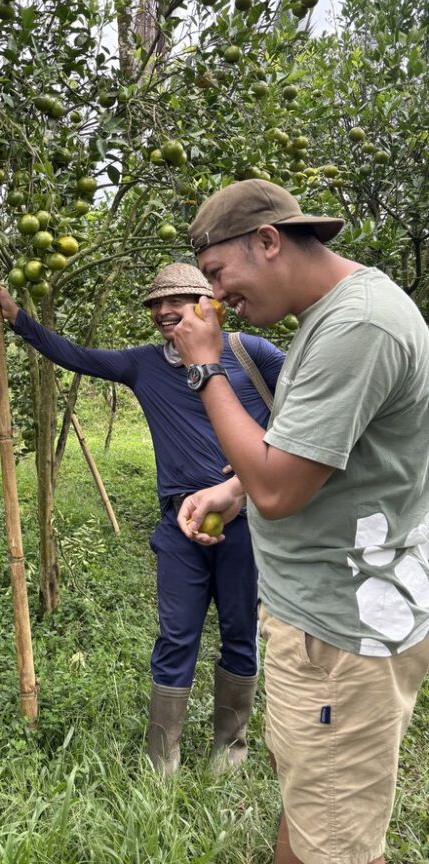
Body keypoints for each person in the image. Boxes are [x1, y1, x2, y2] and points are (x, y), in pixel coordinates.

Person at [172, 180, 429, 864]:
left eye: (219, 275)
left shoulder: (358, 327)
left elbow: (281, 490)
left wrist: (206, 369)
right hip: (319, 621)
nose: (217, 298)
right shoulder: (332, 318)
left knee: (338, 844)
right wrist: (233, 489)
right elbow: (309, 452)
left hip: (340, 637)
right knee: (310, 806)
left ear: (268, 242)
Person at [0, 263, 284, 775]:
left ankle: (229, 750)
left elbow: (304, 408)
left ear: (207, 302)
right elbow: (75, 356)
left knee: (239, 633)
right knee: (176, 634)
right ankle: (161, 759)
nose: (165, 312)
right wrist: (18, 319)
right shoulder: (143, 365)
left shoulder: (250, 353)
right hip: (179, 525)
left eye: (179, 301)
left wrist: (251, 474)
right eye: (156, 304)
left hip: (247, 521)